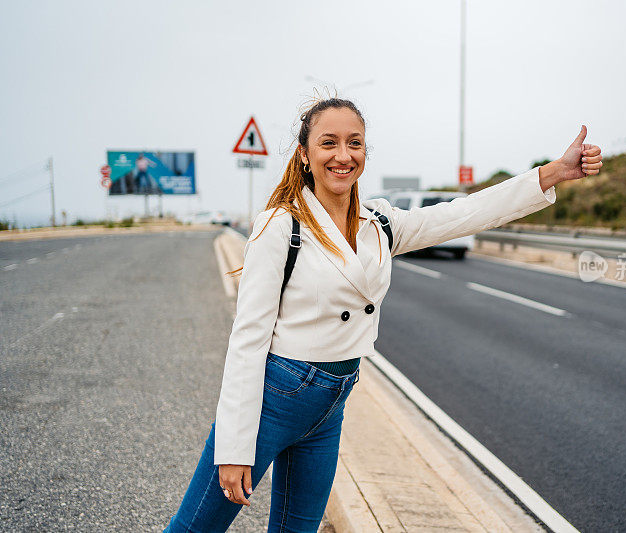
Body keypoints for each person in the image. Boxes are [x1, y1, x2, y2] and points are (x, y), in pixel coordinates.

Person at [164, 97, 603, 532]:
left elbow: (463, 214)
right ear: (305, 153)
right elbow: (247, 340)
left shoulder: (380, 223)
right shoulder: (281, 226)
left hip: (330, 405)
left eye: (354, 143)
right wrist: (234, 446)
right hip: (275, 400)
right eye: (328, 143)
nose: (343, 155)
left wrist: (553, 172)